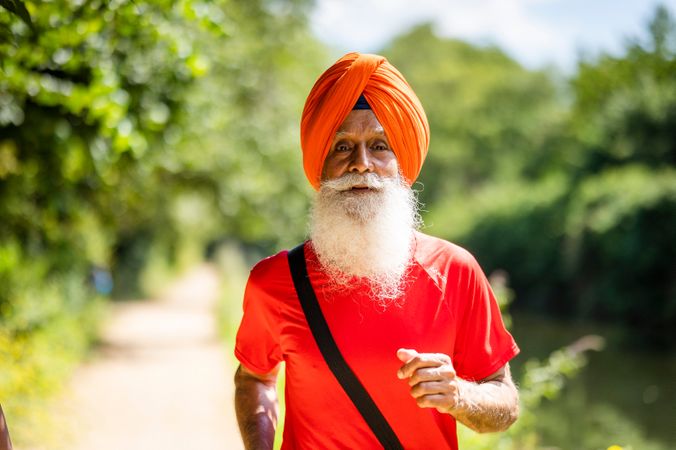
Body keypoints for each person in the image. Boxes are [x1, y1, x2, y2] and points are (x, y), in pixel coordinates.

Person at [234, 52, 520, 450]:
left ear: (402, 161)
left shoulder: (455, 271)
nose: (360, 164)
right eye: (342, 147)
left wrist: (459, 395)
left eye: (380, 145)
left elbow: (504, 402)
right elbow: (253, 378)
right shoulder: (273, 282)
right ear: (320, 163)